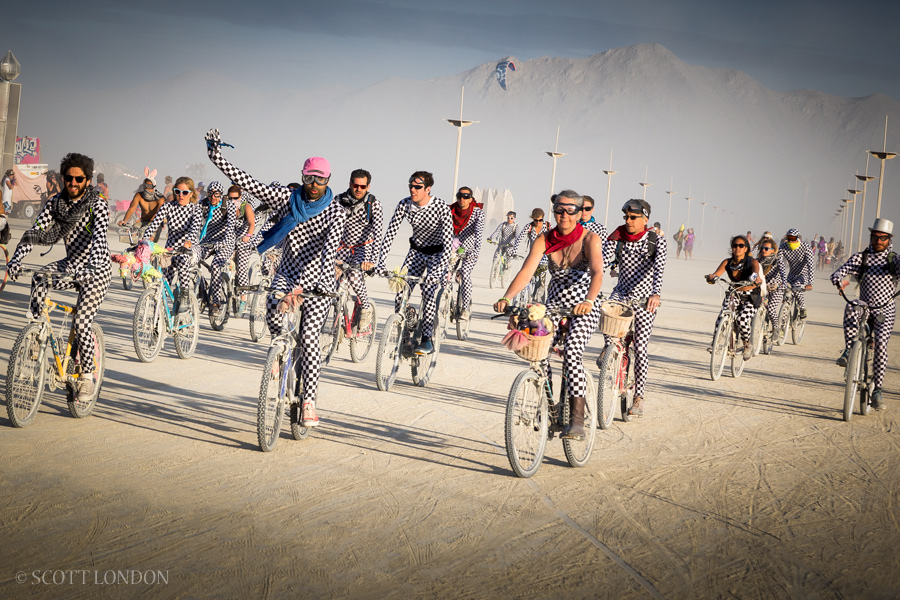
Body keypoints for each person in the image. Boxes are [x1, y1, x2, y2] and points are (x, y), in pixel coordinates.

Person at [206, 128, 345, 427]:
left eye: (320, 179)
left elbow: (329, 252)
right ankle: (280, 354)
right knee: (272, 309)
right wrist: (216, 157)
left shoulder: (336, 212)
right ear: (302, 177)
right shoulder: (286, 197)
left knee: (308, 340)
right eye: (309, 178)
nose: (314, 184)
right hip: (287, 270)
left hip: (316, 280)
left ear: (328, 180)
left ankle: (308, 401)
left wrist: (311, 288)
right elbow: (249, 182)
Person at [494, 190, 604, 440]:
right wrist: (506, 297)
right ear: (553, 211)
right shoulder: (544, 239)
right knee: (538, 350)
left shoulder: (590, 239)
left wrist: (588, 301)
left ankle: (577, 420)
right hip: (553, 306)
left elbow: (597, 273)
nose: (563, 215)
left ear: (578, 213)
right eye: (558, 210)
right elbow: (526, 271)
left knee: (572, 353)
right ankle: (551, 405)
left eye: (570, 210)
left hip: (584, 307)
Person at [7, 153, 111, 402]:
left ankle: (87, 377)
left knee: (83, 322)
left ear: (87, 180)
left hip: (97, 271)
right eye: (68, 177)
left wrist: (92, 266)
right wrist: (17, 258)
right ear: (63, 177)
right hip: (71, 264)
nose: (73, 182)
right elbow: (37, 231)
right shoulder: (56, 203)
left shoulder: (98, 204)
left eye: (79, 178)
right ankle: (37, 332)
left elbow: (99, 239)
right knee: (40, 278)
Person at [603, 199, 667, 418]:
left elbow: (659, 270)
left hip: (644, 299)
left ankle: (638, 397)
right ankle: (609, 351)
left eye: (633, 217)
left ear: (645, 219)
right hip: (621, 293)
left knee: (640, 347)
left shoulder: (656, 241)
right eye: (626, 217)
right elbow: (602, 261)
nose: (628, 221)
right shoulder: (617, 237)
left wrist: (655, 294)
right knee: (605, 316)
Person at [376, 171, 452, 355]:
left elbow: (448, 244)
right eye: (410, 185)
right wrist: (381, 262)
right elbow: (390, 233)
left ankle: (427, 339)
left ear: (428, 189)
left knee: (428, 292)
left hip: (437, 255)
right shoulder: (405, 204)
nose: (412, 189)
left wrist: (438, 272)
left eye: (417, 187)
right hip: (416, 252)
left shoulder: (441, 207)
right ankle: (405, 339)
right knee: (401, 293)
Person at [831, 218, 899, 411]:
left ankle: (877, 389)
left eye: (883, 237)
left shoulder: (894, 260)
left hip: (885, 309)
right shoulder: (862, 257)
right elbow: (839, 272)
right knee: (853, 305)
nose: (878, 240)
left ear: (889, 239)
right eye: (875, 236)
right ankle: (848, 350)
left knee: (881, 347)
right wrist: (839, 281)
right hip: (865, 306)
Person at [142, 176, 201, 311]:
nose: (181, 195)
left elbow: (194, 229)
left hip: (189, 248)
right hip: (170, 247)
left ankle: (185, 297)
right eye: (177, 191)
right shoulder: (168, 206)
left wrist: (187, 243)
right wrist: (144, 241)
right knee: (164, 279)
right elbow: (154, 224)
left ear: (191, 193)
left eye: (185, 192)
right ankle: (159, 316)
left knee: (181, 260)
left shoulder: (195, 209)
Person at [336, 168, 383, 330]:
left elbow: (378, 233)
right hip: (341, 247)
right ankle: (340, 322)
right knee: (331, 284)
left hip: (362, 249)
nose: (358, 189)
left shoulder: (374, 204)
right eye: (356, 185)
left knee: (354, 276)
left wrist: (372, 260)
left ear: (368, 187)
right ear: (350, 184)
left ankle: (366, 307)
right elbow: (327, 226)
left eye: (363, 186)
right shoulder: (339, 200)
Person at [705, 235, 765, 360]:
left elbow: (755, 273)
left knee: (741, 319)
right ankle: (715, 341)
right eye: (734, 245)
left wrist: (756, 279)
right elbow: (716, 275)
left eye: (741, 246)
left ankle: (747, 345)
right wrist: (711, 278)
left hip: (751, 296)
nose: (737, 248)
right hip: (734, 293)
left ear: (746, 249)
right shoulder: (727, 262)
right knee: (723, 314)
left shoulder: (752, 262)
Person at [196, 181, 237, 317]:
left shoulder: (228, 205)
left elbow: (231, 226)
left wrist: (223, 242)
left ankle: (216, 303)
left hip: (226, 242)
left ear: (221, 194)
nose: (213, 198)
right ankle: (201, 290)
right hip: (208, 240)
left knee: (215, 266)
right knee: (193, 260)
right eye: (210, 194)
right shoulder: (203, 205)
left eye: (216, 195)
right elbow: (193, 221)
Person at [450, 186, 484, 319]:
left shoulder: (477, 213)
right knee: (444, 273)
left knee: (465, 274)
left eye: (466, 197)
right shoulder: (450, 210)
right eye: (460, 196)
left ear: (471, 199)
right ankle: (448, 300)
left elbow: (479, 233)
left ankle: (465, 308)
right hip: (453, 247)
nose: (462, 199)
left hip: (470, 249)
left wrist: (476, 250)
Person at [229, 184, 259, 313]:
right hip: (230, 238)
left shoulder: (245, 206)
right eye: (230, 198)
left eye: (235, 198)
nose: (233, 201)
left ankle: (243, 299)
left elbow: (252, 223)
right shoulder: (226, 207)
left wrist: (248, 236)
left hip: (243, 237)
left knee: (241, 268)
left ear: (240, 197)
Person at [779, 228, 815, 319]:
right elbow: (780, 263)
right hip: (791, 274)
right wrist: (782, 280)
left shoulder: (806, 247)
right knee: (785, 291)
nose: (790, 240)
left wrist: (810, 283)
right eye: (788, 238)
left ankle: (802, 307)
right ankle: (783, 321)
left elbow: (811, 265)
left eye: (793, 238)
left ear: (797, 238)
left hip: (804, 274)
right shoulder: (783, 247)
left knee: (796, 287)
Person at [118, 177, 166, 241]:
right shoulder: (139, 195)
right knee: (131, 236)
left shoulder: (160, 198)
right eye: (145, 186)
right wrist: (124, 221)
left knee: (149, 243)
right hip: (142, 221)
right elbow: (131, 208)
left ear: (154, 187)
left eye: (149, 186)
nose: (146, 188)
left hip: (154, 223)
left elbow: (159, 214)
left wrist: (156, 226)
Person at [756, 237, 787, 337]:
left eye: (766, 248)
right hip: (762, 288)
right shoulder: (757, 261)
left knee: (771, 309)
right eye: (762, 248)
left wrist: (781, 285)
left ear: (773, 250)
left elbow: (783, 276)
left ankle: (776, 329)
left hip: (776, 289)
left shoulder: (778, 261)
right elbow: (752, 273)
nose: (763, 250)